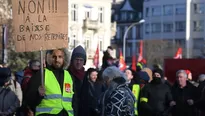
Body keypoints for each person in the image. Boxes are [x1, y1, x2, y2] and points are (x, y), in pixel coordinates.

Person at [26, 49, 73, 116]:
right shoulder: (42, 74)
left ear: (64, 58)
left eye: (60, 57)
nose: (57, 60)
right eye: (54, 57)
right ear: (50, 58)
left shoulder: (69, 76)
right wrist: (38, 95)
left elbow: (74, 101)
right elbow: (29, 99)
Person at [67, 45, 87, 116]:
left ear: (84, 62)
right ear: (72, 60)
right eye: (76, 59)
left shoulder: (87, 76)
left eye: (81, 60)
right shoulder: (66, 74)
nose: (78, 62)